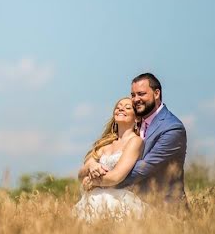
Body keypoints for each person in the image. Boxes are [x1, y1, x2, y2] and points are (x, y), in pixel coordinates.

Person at [91, 73, 187, 207]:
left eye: (141, 94)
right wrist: (92, 168)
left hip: (162, 209)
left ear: (157, 93)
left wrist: (98, 181)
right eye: (133, 95)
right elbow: (97, 154)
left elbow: (143, 169)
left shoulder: (172, 128)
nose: (136, 99)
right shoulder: (131, 123)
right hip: (126, 203)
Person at [73, 97, 147, 221]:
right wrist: (91, 165)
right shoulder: (105, 143)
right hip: (92, 199)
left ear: (137, 118)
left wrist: (92, 182)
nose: (121, 108)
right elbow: (81, 174)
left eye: (127, 107)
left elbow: (116, 177)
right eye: (118, 107)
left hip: (118, 200)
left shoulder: (135, 141)